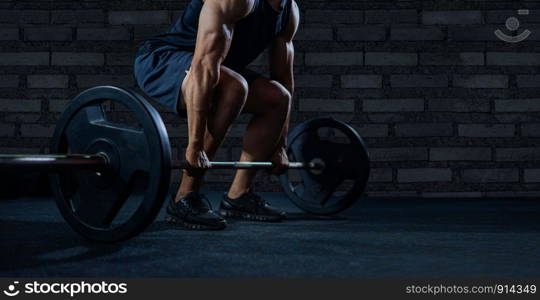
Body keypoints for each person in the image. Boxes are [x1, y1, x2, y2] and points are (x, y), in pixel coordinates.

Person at [133, 0, 300, 230]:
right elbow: (204, 66)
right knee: (235, 87)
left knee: (278, 97)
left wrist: (280, 145)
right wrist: (195, 146)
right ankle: (184, 196)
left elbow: (283, 79)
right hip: (162, 61)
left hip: (220, 71)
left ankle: (238, 197)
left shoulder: (289, 11)